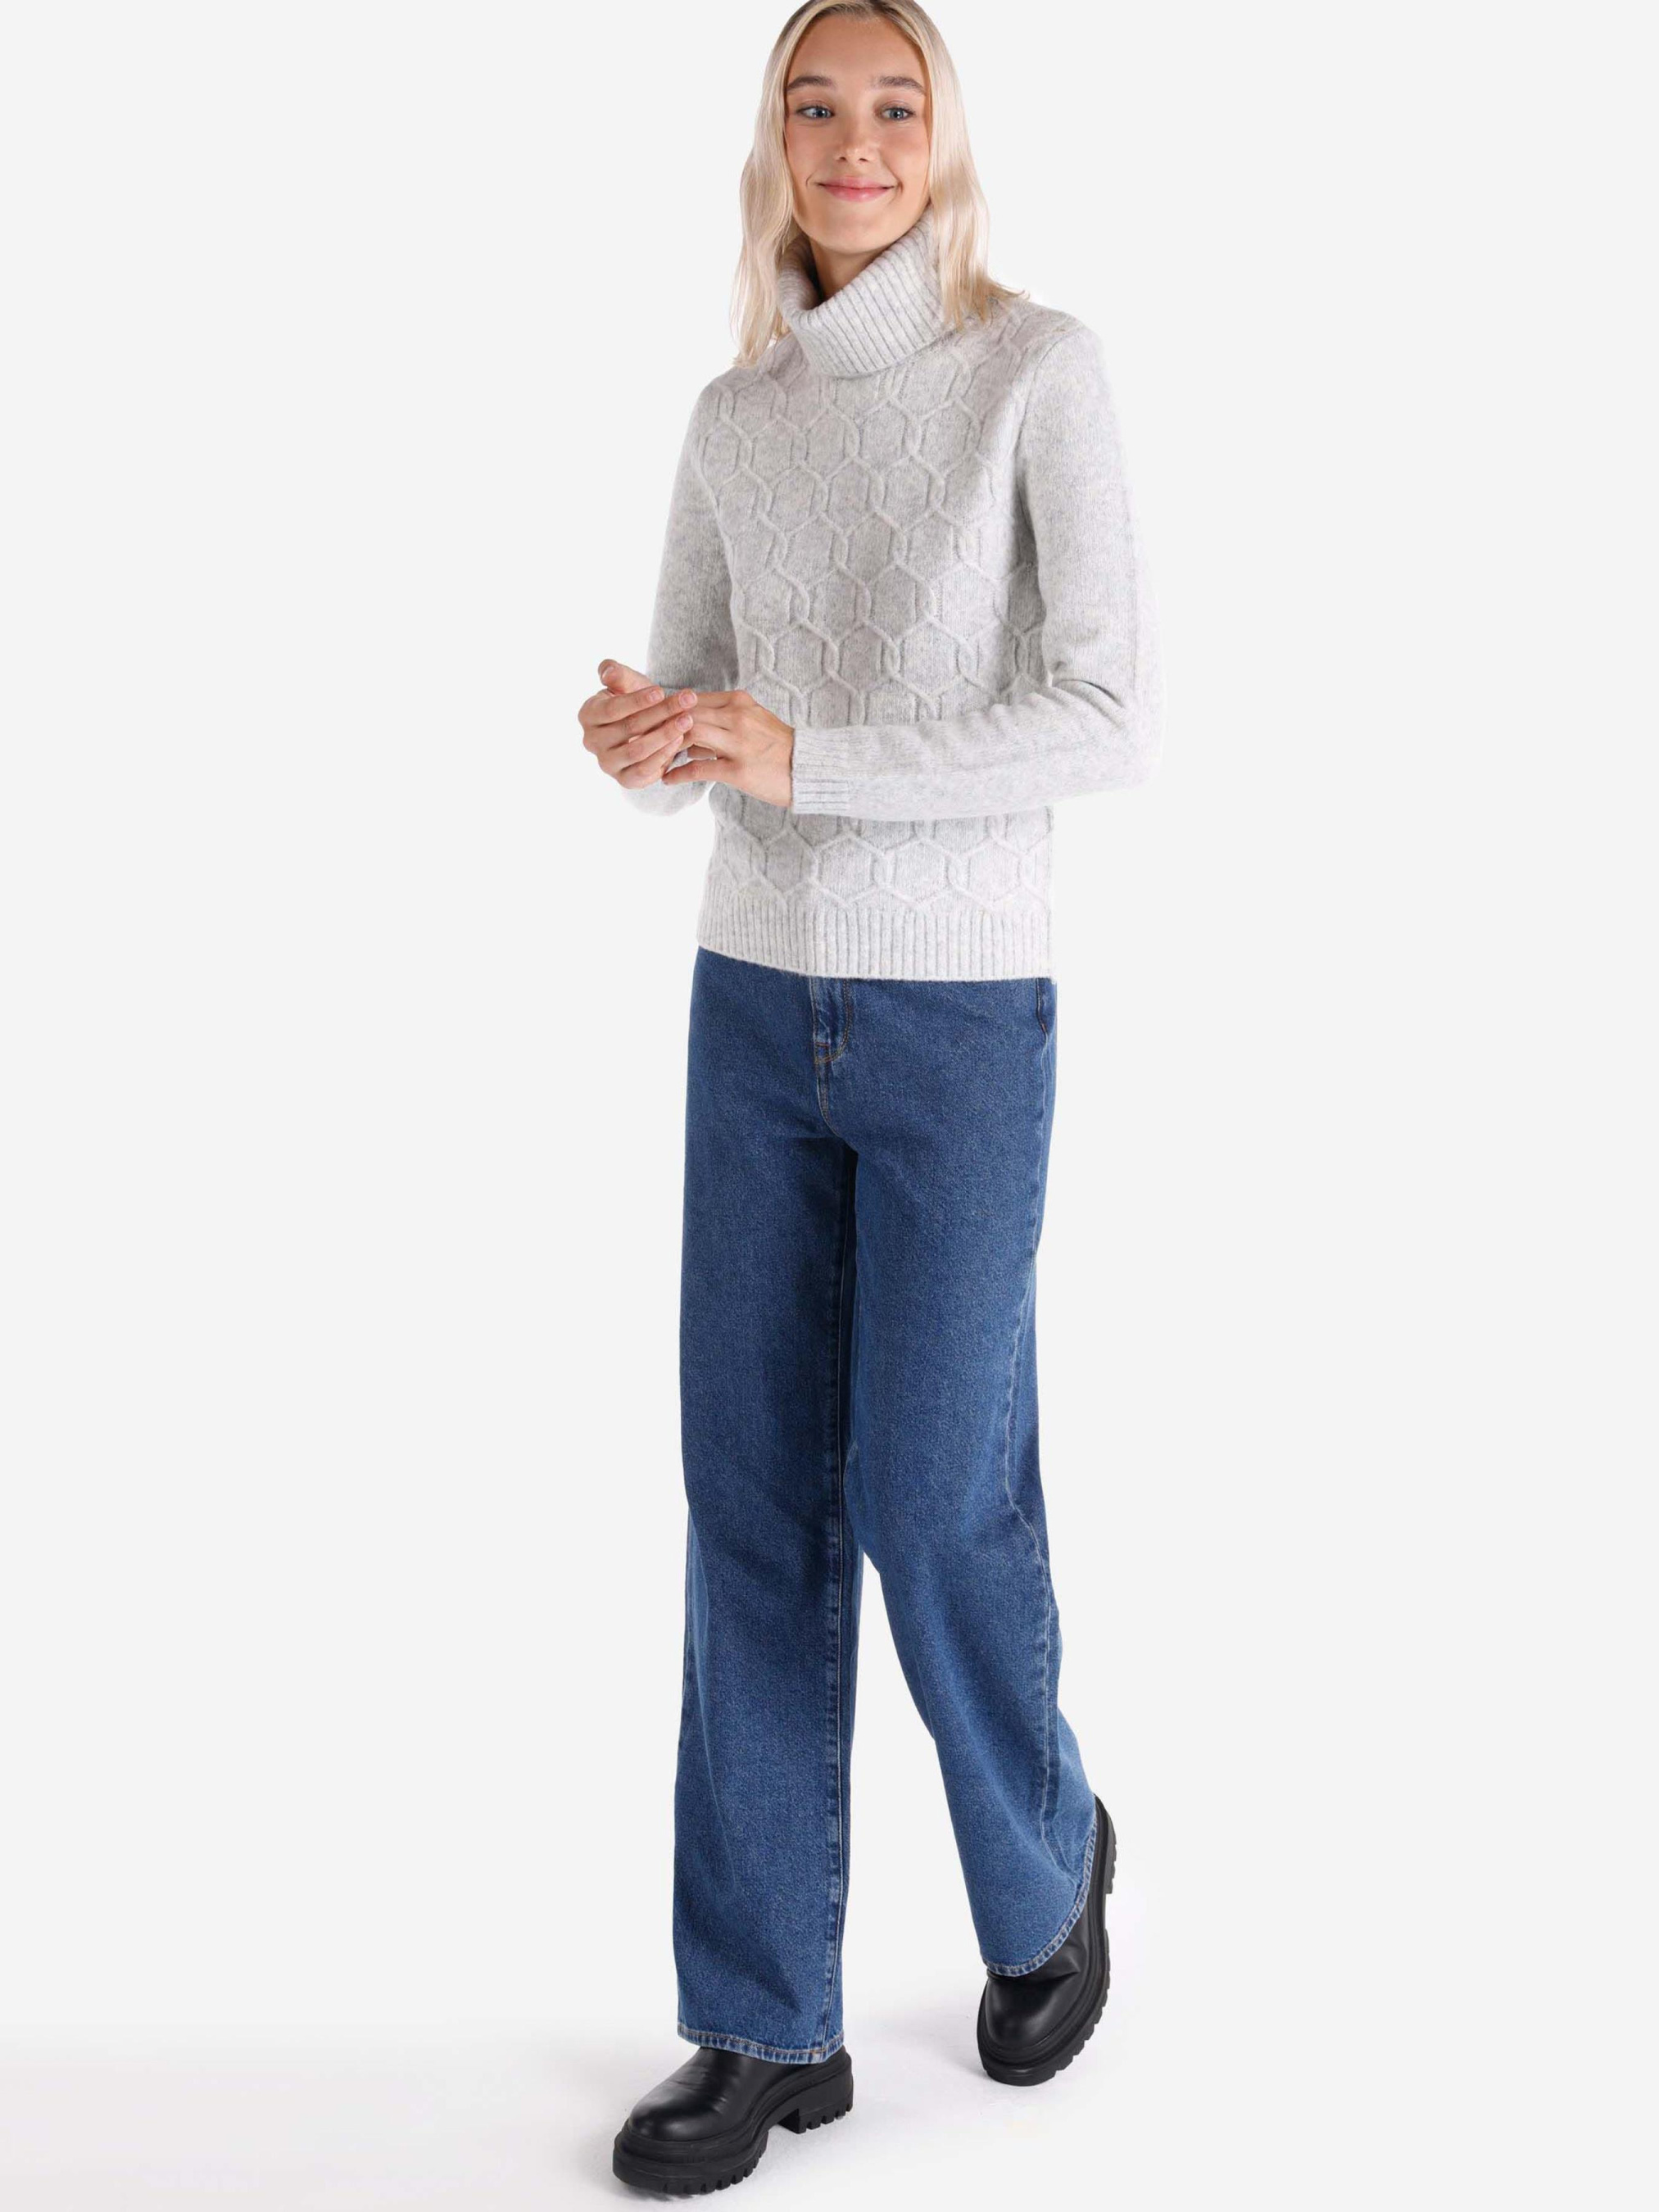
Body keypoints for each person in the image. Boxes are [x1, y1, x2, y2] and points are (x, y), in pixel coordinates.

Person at [578, 0, 1161, 2191]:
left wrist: (796, 753)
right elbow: (694, 709)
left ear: (943, 138)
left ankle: (1045, 1861)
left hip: (957, 1015)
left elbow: (1105, 714)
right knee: (748, 1499)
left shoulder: (1036, 374)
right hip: (751, 1002)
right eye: (813, 105)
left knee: (930, 1492)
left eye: (891, 105)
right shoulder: (732, 416)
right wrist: (648, 740)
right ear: (772, 145)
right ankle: (761, 2019)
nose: (853, 139)